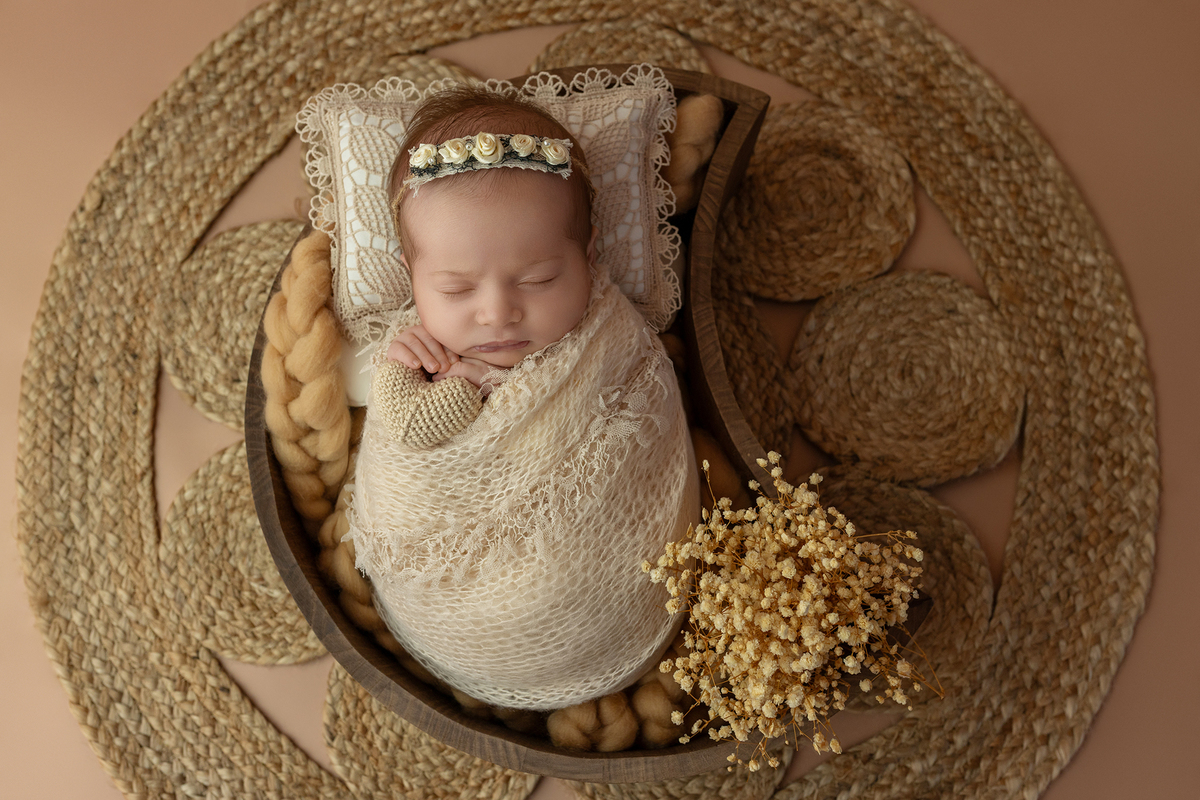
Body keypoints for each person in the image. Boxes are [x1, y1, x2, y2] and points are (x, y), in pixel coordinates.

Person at [346, 84, 698, 711]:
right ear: (411, 275)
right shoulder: (416, 353)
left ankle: (592, 631)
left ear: (588, 256)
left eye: (539, 280)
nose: (498, 313)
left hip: (600, 571)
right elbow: (407, 442)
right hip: (462, 605)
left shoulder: (609, 338)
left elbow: (644, 429)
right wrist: (449, 388)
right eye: (455, 289)